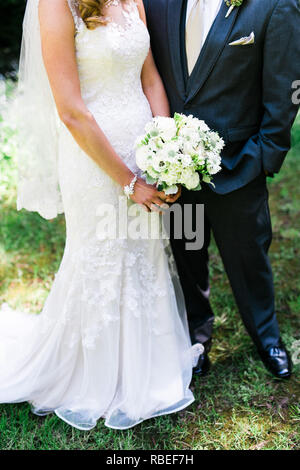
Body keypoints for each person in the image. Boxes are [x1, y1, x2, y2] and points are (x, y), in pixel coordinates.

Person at [144, 0, 300, 378]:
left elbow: (284, 90)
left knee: (249, 258)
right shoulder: (156, 3)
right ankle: (197, 334)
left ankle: (267, 338)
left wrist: (265, 157)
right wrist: (159, 149)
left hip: (240, 167)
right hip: (175, 170)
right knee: (186, 254)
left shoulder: (273, 7)